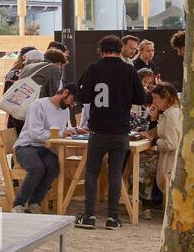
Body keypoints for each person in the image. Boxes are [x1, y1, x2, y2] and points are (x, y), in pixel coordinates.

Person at [74, 34, 148, 230]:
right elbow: (141, 98)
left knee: (92, 172)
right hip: (121, 130)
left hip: (98, 129)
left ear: (100, 50)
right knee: (115, 173)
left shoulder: (93, 69)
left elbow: (82, 96)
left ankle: (89, 216)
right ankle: (113, 218)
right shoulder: (129, 70)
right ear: (120, 49)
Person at [11, 84, 80, 213]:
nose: (72, 105)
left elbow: (61, 130)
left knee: (54, 167)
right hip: (26, 146)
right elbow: (35, 134)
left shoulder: (65, 110)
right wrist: (61, 134)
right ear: (65, 93)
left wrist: (74, 130)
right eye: (73, 100)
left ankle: (34, 202)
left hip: (45, 148)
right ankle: (18, 204)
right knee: (37, 168)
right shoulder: (38, 105)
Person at [139, 82, 180, 217]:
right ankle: (144, 204)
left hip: (170, 162)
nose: (154, 101)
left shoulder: (172, 115)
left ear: (166, 98)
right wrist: (154, 118)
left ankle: (144, 205)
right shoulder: (168, 113)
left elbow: (171, 143)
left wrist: (155, 141)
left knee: (141, 169)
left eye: (156, 98)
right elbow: (155, 132)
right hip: (167, 158)